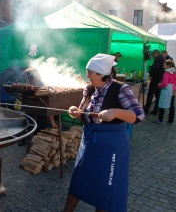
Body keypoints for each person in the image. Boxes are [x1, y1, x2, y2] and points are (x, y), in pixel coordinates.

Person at [62, 53, 145, 212]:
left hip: (111, 145)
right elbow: (85, 113)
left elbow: (139, 115)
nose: (87, 75)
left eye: (90, 72)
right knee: (79, 179)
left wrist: (115, 112)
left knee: (105, 187)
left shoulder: (121, 89)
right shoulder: (89, 88)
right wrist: (77, 112)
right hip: (89, 141)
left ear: (102, 74)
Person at [155, 59, 176, 124]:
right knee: (171, 104)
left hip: (167, 89)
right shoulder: (175, 72)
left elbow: (165, 83)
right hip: (174, 89)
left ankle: (160, 119)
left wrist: (159, 85)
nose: (163, 66)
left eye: (164, 65)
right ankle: (170, 120)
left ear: (168, 66)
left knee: (162, 103)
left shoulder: (167, 72)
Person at [143, 50, 165, 115]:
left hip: (155, 79)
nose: (153, 57)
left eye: (153, 55)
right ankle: (156, 110)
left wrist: (151, 75)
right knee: (158, 96)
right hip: (161, 79)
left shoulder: (158, 59)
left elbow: (155, 68)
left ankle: (146, 110)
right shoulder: (163, 58)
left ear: (155, 54)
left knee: (150, 95)